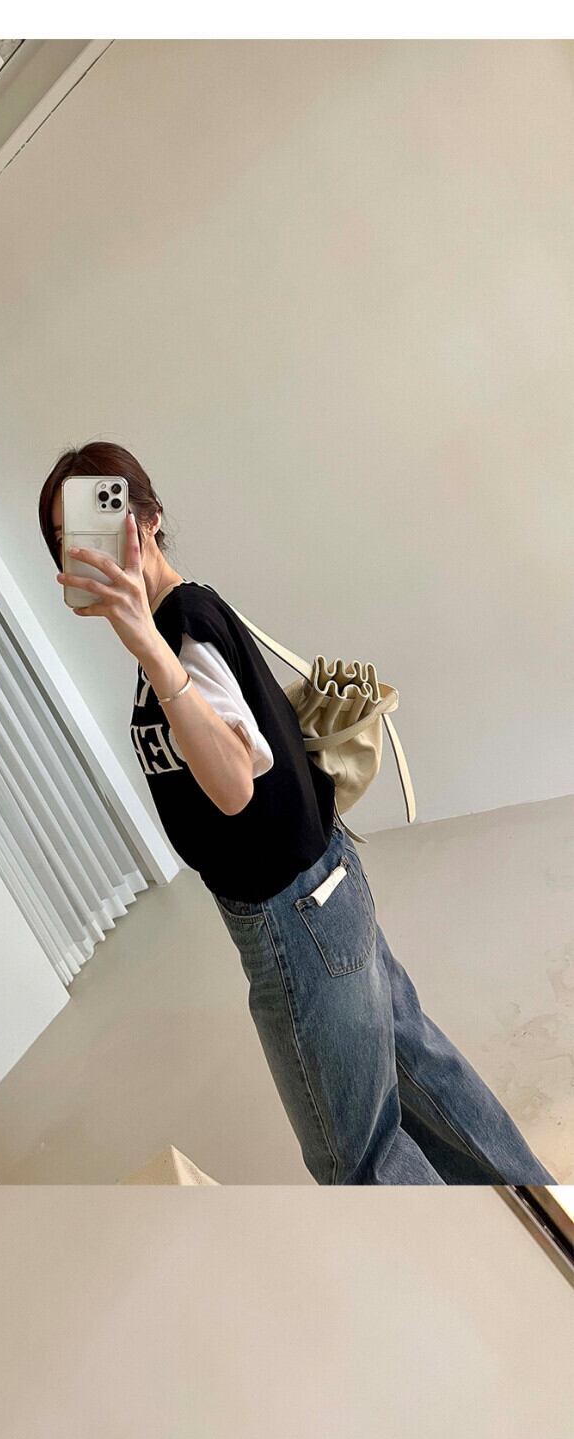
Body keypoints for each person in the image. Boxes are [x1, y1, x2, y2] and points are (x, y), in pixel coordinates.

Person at [37, 440, 553, 1194]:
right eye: (64, 538)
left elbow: (233, 785)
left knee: (359, 1158)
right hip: (326, 884)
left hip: (292, 916)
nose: (81, 550)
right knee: (420, 1070)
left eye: (95, 522)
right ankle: (548, 1220)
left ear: (146, 521)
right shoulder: (187, 613)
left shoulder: (178, 625)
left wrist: (146, 644)